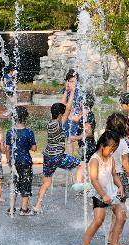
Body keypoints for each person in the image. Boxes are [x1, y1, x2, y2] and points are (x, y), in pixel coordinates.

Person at [33, 82, 84, 213]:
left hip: (48, 156)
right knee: (81, 165)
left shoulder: (50, 122)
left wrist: (66, 91)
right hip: (58, 157)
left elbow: (62, 107)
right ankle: (78, 184)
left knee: (47, 182)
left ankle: (38, 205)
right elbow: (67, 108)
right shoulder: (60, 124)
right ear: (61, 115)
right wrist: (72, 92)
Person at [81, 130, 126, 245]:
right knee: (99, 220)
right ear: (102, 146)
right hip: (99, 193)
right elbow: (94, 180)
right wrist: (103, 195)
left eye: (114, 149)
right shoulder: (95, 160)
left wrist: (120, 186)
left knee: (122, 216)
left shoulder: (110, 158)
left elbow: (114, 175)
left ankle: (114, 243)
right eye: (111, 148)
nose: (112, 152)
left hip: (111, 192)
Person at [5, 106, 37, 216]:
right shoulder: (29, 132)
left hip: (14, 162)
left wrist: (9, 161)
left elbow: (7, 149)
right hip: (26, 162)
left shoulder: (10, 132)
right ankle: (24, 209)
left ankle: (12, 208)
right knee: (26, 183)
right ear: (25, 118)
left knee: (14, 184)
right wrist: (27, 146)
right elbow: (34, 148)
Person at [70, 92, 96, 164]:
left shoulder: (88, 115)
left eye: (81, 100)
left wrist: (75, 138)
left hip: (88, 146)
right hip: (86, 146)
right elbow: (76, 119)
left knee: (83, 167)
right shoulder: (85, 114)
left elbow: (89, 133)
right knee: (84, 168)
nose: (79, 102)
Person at [61, 69, 83, 154]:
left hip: (77, 118)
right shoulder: (66, 90)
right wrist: (66, 90)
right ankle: (70, 157)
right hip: (69, 117)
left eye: (74, 81)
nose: (72, 84)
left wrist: (79, 117)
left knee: (76, 138)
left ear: (77, 81)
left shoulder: (80, 91)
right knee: (69, 138)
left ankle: (80, 153)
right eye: (70, 81)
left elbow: (85, 107)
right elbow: (63, 105)